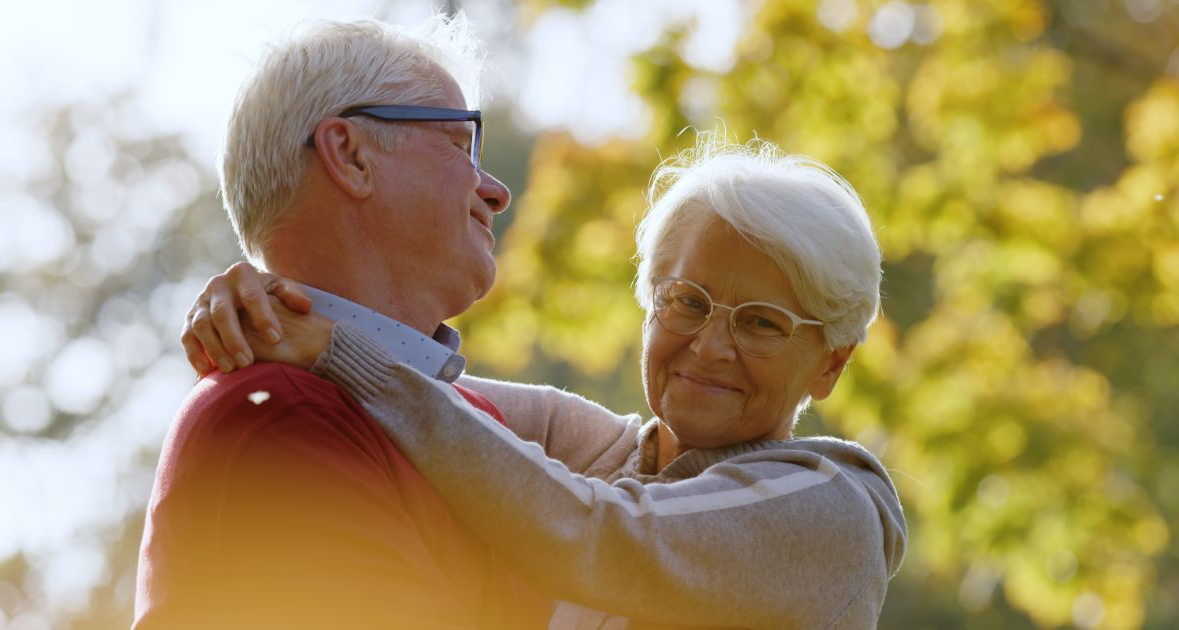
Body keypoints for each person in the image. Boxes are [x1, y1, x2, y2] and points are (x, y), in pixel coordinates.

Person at [185, 134, 908, 629]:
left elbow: (598, 533)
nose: (710, 346)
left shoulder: (832, 507)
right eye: (686, 302)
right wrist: (266, 306)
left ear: (831, 363)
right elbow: (417, 386)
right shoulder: (596, 452)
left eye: (760, 323)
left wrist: (338, 350)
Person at [134, 15, 552, 630]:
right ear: (350, 155)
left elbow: (678, 468)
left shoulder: (465, 419)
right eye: (461, 145)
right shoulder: (274, 417)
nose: (495, 191)